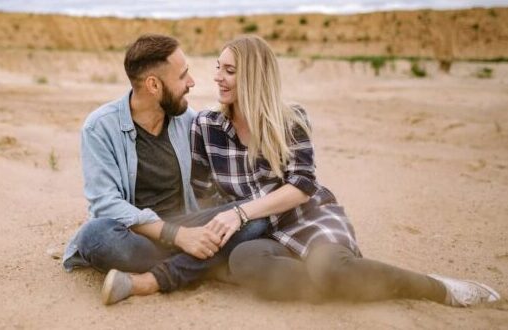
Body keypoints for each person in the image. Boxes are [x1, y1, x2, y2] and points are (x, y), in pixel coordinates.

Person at [190, 35, 500, 307]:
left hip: (307, 217)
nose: (218, 77)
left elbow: (302, 186)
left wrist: (241, 213)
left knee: (332, 269)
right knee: (245, 261)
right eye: (218, 67)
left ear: (255, 77)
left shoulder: (291, 119)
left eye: (229, 71)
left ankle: (437, 288)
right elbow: (201, 193)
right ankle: (340, 285)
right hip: (264, 233)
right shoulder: (206, 126)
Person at [62, 34, 268, 305]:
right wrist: (178, 237)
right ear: (153, 85)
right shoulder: (100, 128)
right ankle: (206, 262)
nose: (191, 83)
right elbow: (105, 204)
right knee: (95, 236)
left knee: (252, 216)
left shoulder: (188, 120)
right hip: (137, 236)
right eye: (183, 76)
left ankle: (158, 277)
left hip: (189, 224)